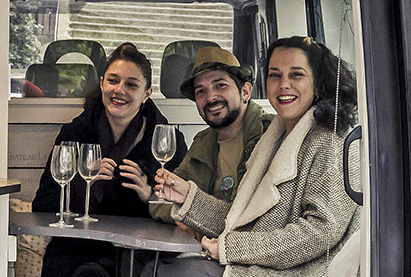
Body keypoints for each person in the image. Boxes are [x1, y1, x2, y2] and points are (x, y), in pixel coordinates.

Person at [149, 36, 359, 276]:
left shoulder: (330, 140)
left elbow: (321, 232)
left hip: (298, 272)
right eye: (275, 75)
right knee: (155, 269)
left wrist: (231, 248)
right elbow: (243, 220)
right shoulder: (275, 139)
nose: (283, 85)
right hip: (258, 266)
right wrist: (189, 197)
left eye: (296, 75)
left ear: (318, 83)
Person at [32, 42, 187, 277]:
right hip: (76, 252)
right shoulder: (75, 133)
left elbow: (183, 214)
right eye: (113, 81)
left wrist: (149, 195)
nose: (119, 90)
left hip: (140, 253)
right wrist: (84, 184)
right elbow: (42, 205)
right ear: (102, 82)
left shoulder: (167, 141)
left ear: (147, 93)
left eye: (131, 85)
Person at [144, 47, 273, 241]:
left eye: (220, 85)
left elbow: (262, 220)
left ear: (245, 91)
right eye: (201, 91)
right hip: (205, 252)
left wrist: (193, 215)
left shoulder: (271, 134)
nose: (211, 98)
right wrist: (186, 220)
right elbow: (159, 202)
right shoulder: (202, 143)